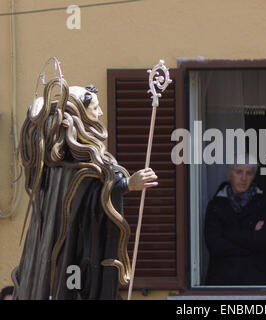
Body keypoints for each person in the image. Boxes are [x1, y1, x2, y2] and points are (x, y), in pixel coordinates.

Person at [12, 80, 158, 299]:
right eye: (94, 108)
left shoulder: (67, 162)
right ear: (79, 114)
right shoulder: (72, 165)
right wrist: (127, 184)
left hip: (68, 249)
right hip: (73, 248)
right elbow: (90, 194)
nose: (100, 113)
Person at [204, 154, 266, 285]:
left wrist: (227, 232)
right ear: (230, 174)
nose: (243, 178)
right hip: (222, 280)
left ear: (254, 176)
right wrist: (250, 238)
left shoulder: (264, 203)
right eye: (239, 172)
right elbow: (215, 245)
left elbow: (263, 241)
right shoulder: (216, 204)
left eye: (249, 173)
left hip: (256, 280)